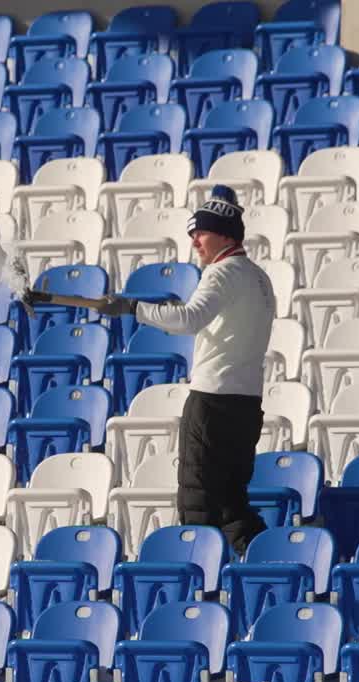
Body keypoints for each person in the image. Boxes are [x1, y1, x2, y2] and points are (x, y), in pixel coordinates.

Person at [96, 185, 276, 557]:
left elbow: (190, 318)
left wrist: (134, 308)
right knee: (232, 502)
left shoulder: (222, 272)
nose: (194, 241)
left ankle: (198, 579)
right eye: (192, 233)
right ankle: (264, 562)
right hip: (247, 404)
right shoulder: (260, 278)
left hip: (213, 401)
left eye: (201, 232)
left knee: (198, 502)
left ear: (225, 234)